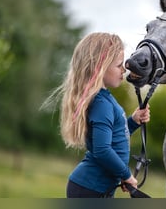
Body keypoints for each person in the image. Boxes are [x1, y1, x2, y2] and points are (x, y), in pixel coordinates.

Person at [45, 32, 150, 198]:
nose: (124, 69)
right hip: (90, 189)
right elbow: (102, 150)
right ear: (99, 68)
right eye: (118, 65)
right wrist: (126, 175)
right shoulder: (102, 104)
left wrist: (133, 121)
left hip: (97, 189)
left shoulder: (104, 100)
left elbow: (115, 138)